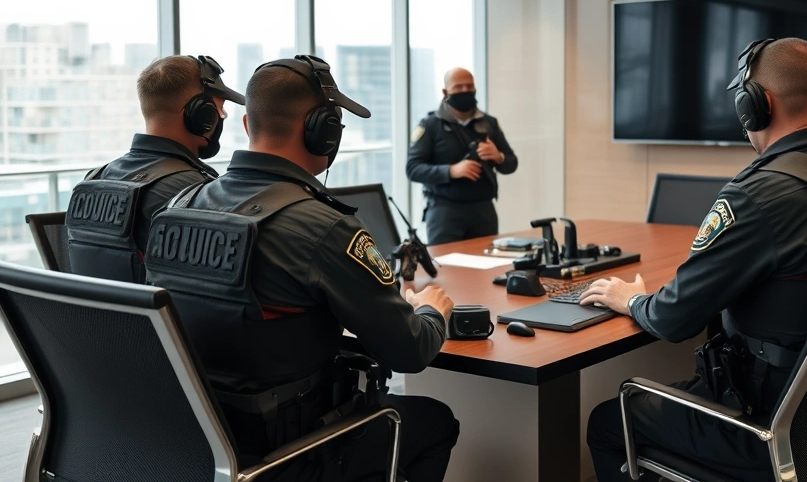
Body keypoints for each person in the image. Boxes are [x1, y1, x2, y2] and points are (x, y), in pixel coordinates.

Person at [580, 39, 807, 481]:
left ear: (754, 105)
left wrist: (631, 299)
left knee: (610, 421)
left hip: (769, 427)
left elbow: (672, 319)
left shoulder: (759, 196)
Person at [144, 55, 459, 482]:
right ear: (322, 131)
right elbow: (410, 351)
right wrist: (431, 311)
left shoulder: (177, 208)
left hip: (189, 443)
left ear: (246, 126)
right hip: (294, 452)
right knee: (436, 420)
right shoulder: (324, 229)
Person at [64, 55, 244, 283]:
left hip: (95, 318)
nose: (221, 120)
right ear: (202, 117)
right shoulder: (193, 194)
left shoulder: (94, 179)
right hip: (162, 319)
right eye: (220, 111)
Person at [406, 67, 518, 245]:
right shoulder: (430, 125)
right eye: (458, 87)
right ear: (445, 92)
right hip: (445, 211)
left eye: (469, 86)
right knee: (446, 268)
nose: (465, 91)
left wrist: (499, 157)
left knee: (487, 266)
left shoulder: (489, 123)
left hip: (484, 210)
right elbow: (413, 169)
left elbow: (511, 164)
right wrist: (451, 171)